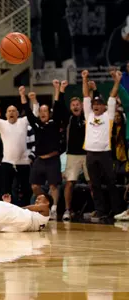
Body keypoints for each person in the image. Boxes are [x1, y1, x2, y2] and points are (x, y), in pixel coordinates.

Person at [82, 70, 125, 221]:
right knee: (95, 184)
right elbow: (86, 96)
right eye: (94, 104)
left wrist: (117, 81)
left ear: (104, 107)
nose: (96, 106)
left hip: (105, 154)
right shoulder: (88, 115)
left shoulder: (109, 116)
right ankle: (100, 210)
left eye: (99, 104)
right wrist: (84, 78)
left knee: (111, 183)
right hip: (90, 154)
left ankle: (117, 210)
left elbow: (112, 96)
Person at [20, 84, 64, 220]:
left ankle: (54, 209)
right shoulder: (36, 124)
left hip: (52, 159)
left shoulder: (54, 123)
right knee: (34, 186)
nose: (43, 113)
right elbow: (27, 111)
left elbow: (57, 105)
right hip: (40, 159)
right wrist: (22, 95)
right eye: (41, 111)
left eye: (45, 111)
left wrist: (57, 89)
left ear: (49, 113)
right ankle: (42, 203)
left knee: (53, 185)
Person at [0, 97, 38, 205]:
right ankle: (7, 210)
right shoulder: (2, 124)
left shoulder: (23, 121)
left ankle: (25, 210)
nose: (11, 112)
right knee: (5, 189)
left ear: (17, 114)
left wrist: (34, 100)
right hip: (7, 162)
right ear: (6, 114)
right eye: (9, 111)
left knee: (25, 189)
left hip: (23, 162)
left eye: (14, 111)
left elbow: (35, 114)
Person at [61, 81, 89, 222]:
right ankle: (67, 210)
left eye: (78, 104)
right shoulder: (69, 118)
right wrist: (61, 90)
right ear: (70, 108)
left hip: (87, 153)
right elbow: (59, 105)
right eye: (73, 105)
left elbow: (88, 97)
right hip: (72, 155)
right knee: (70, 183)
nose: (75, 106)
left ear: (82, 106)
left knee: (92, 183)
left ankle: (97, 209)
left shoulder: (88, 116)